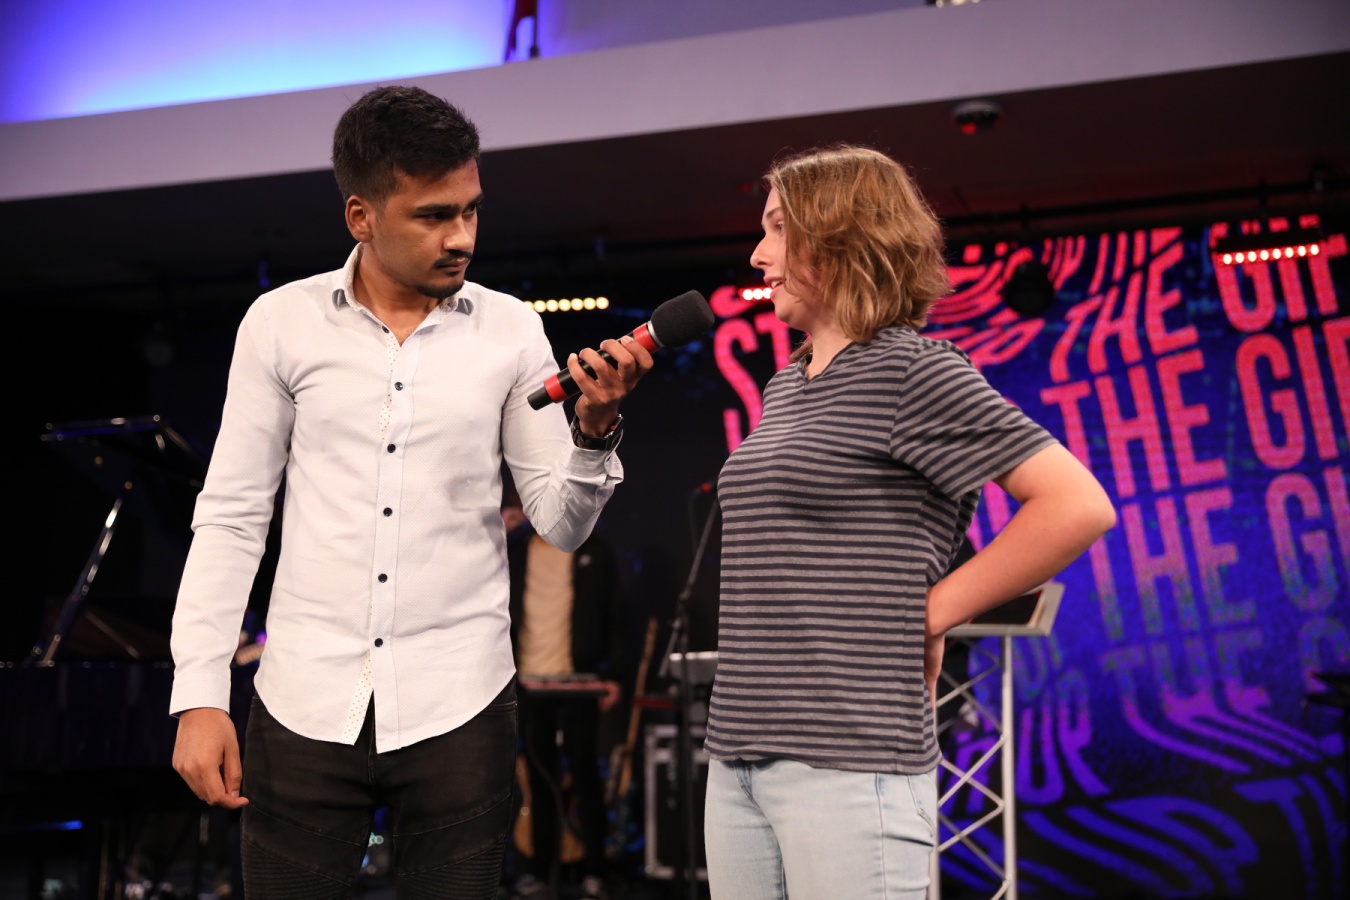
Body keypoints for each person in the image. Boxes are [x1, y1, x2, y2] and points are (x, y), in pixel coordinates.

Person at [168, 85, 652, 898]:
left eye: (471, 210)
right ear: (361, 216)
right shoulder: (280, 324)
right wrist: (198, 694)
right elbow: (231, 519)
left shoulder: (509, 330)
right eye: (433, 216)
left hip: (461, 702)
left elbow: (560, 525)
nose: (461, 236)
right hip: (304, 699)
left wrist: (594, 432)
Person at [702, 145, 1116, 900]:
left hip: (853, 760)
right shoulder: (788, 385)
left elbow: (1076, 505)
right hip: (738, 757)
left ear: (841, 237)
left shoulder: (910, 370)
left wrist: (932, 613)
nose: (758, 254)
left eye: (778, 229)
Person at [501, 498, 622, 900]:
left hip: (580, 680)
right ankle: (537, 869)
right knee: (538, 778)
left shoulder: (592, 549)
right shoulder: (517, 550)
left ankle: (595, 870)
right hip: (529, 682)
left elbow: (615, 612)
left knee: (585, 774)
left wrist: (613, 674)